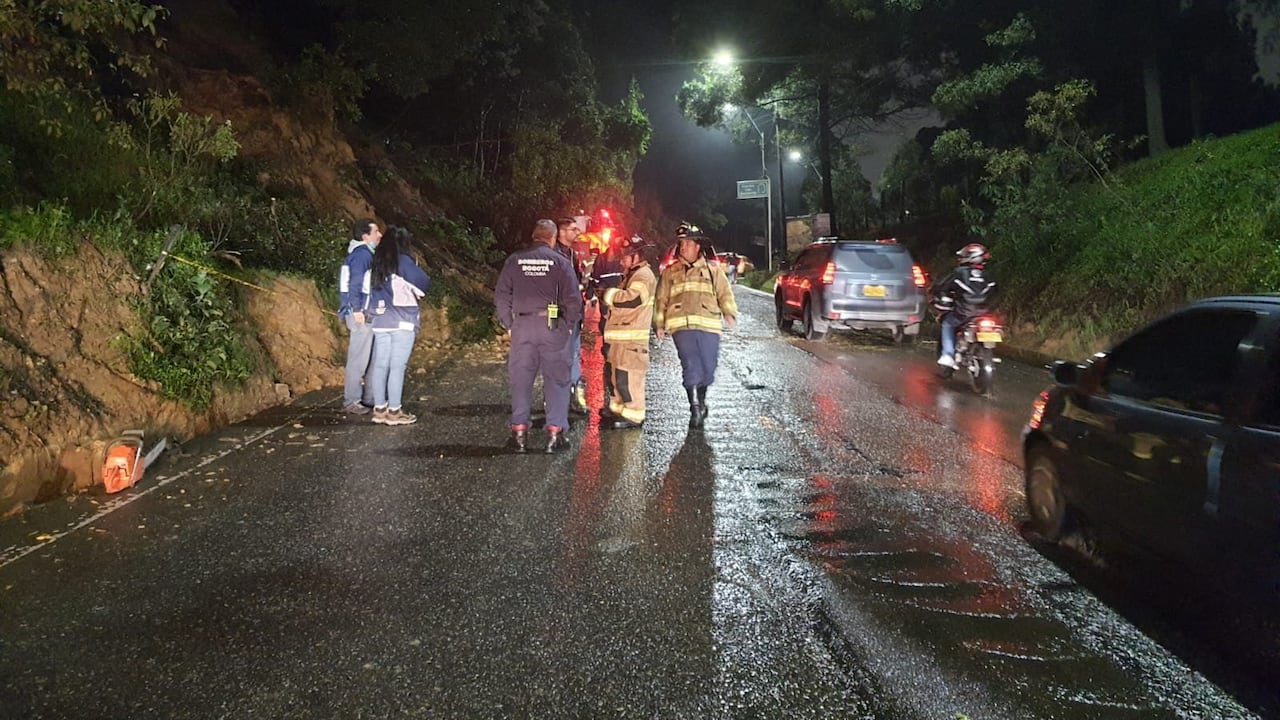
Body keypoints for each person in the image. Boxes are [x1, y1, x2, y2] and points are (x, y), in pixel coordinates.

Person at [495, 219, 583, 453]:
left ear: (534, 236)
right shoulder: (561, 263)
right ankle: (555, 434)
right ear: (553, 239)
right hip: (552, 326)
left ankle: (519, 434)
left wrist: (509, 323)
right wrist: (568, 325)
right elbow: (574, 300)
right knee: (556, 381)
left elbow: (502, 295)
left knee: (521, 382)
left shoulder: (514, 260)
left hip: (523, 325)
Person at [653, 222, 738, 428]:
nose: (683, 247)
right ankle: (695, 408)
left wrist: (729, 312)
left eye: (688, 243)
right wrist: (659, 323)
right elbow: (660, 299)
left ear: (698, 246)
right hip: (681, 326)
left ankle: (701, 401)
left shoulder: (712, 271)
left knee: (708, 368)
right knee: (691, 365)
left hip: (709, 326)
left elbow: (724, 293)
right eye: (681, 244)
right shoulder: (670, 272)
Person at [359, 226, 431, 425]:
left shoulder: (377, 262)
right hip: (402, 321)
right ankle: (395, 411)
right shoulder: (404, 261)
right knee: (397, 367)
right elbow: (422, 284)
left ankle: (379, 409)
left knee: (381, 365)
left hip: (381, 321)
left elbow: (367, 288)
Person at [599, 234, 657, 429]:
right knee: (616, 377)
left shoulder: (644, 276)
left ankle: (633, 415)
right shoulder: (631, 275)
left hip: (632, 341)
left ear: (637, 256)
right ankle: (617, 409)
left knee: (629, 378)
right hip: (621, 341)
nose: (621, 262)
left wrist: (607, 293)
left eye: (625, 257)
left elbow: (633, 299)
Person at [338, 218, 381, 415]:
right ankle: (352, 401)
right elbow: (355, 283)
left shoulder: (365, 254)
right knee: (358, 359)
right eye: (376, 232)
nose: (379, 235)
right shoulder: (362, 254)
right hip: (360, 314)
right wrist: (356, 310)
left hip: (367, 313)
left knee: (370, 357)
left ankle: (369, 398)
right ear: (365, 236)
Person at [931, 242, 997, 371]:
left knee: (948, 324)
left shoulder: (959, 273)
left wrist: (942, 299)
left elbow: (941, 287)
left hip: (963, 313)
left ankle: (948, 355)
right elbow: (995, 292)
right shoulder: (988, 275)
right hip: (984, 314)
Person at [556, 217, 590, 416]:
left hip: (575, 314)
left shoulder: (572, 254)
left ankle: (574, 397)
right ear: (561, 232)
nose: (577, 233)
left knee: (574, 355)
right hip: (561, 316)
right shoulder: (554, 255)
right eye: (572, 229)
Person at [588, 237, 625, 402]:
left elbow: (595, 281)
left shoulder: (607, 259)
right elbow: (595, 281)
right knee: (611, 349)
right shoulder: (617, 259)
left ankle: (613, 393)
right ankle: (612, 392)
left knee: (611, 349)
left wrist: (591, 294)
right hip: (612, 310)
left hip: (614, 309)